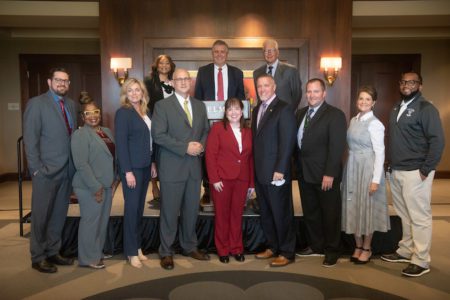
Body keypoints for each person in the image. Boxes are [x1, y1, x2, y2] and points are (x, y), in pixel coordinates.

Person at [381, 71, 445, 277]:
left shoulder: (426, 109)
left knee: (419, 216)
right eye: (403, 82)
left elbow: (437, 141)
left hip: (416, 172)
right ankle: (406, 250)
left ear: (420, 85)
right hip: (396, 170)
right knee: (404, 214)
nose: (406, 85)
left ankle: (421, 259)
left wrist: (426, 169)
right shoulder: (397, 106)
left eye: (411, 82)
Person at [152, 68, 210, 270]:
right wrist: (185, 147)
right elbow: (158, 135)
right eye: (179, 79)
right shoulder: (162, 106)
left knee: (191, 211)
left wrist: (201, 146)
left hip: (194, 168)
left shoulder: (200, 106)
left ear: (191, 81)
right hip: (172, 168)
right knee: (169, 212)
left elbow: (205, 131)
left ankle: (189, 246)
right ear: (172, 83)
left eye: (187, 78)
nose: (184, 82)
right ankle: (166, 251)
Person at [23, 67, 77, 273]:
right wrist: (36, 169)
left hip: (66, 171)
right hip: (45, 171)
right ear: (49, 82)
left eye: (66, 81)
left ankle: (53, 252)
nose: (62, 84)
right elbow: (30, 138)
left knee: (58, 214)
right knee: (41, 216)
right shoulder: (37, 104)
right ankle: (38, 256)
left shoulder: (70, 104)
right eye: (58, 80)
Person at [295, 78, 347, 267]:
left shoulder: (335, 115)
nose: (311, 95)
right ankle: (316, 245)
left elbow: (337, 147)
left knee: (330, 214)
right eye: (309, 91)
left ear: (324, 93)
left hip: (325, 175)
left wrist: (330, 173)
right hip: (304, 173)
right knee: (311, 212)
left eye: (316, 91)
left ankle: (333, 249)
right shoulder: (300, 113)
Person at [341, 86, 390, 264]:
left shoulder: (375, 124)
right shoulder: (354, 119)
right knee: (353, 206)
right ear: (357, 101)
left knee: (367, 208)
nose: (363, 102)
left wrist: (375, 180)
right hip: (353, 166)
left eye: (368, 99)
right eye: (361, 99)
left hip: (368, 169)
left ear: (374, 103)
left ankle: (367, 247)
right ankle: (358, 245)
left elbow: (380, 153)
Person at [251, 74, 297, 267]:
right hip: (260, 172)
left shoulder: (284, 108)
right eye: (259, 86)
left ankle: (287, 251)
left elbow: (287, 143)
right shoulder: (256, 110)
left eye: (266, 85)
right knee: (267, 213)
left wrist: (280, 169)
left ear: (274, 86)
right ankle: (272, 246)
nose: (262, 89)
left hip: (277, 173)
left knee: (281, 213)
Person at [195, 39, 245, 203]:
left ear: (227, 53)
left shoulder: (237, 73)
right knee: (209, 154)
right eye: (216, 51)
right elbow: (198, 98)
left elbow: (241, 99)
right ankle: (208, 188)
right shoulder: (203, 72)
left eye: (222, 51)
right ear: (212, 53)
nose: (219, 54)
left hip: (231, 120)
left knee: (229, 153)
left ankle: (230, 183)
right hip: (208, 122)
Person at [205, 98, 254, 264]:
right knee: (222, 216)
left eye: (237, 109)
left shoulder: (248, 131)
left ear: (242, 112)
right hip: (222, 180)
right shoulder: (218, 128)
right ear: (225, 112)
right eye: (230, 109)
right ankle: (223, 250)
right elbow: (210, 155)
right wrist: (214, 179)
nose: (234, 113)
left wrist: (252, 184)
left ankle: (237, 248)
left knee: (237, 216)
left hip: (242, 180)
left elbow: (250, 159)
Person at [115, 78, 157, 268]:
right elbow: (121, 146)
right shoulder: (123, 113)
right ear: (125, 93)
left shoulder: (146, 111)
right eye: (130, 90)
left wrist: (153, 162)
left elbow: (150, 140)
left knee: (139, 210)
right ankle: (131, 252)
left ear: (142, 93)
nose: (134, 93)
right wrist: (127, 172)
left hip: (145, 166)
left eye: (137, 90)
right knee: (131, 210)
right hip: (131, 169)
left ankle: (138, 246)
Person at [71, 94, 116, 269]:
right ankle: (87, 258)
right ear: (82, 117)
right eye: (88, 113)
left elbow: (112, 157)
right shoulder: (80, 134)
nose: (92, 116)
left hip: (106, 185)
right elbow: (81, 164)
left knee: (102, 221)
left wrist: (113, 181)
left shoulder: (106, 131)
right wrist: (95, 187)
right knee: (90, 222)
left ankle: (96, 251)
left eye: (95, 112)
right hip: (88, 186)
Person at [144, 54, 176, 207]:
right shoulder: (149, 81)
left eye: (167, 63)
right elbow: (146, 102)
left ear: (171, 66)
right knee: (155, 153)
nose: (164, 65)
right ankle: (155, 186)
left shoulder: (175, 80)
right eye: (161, 63)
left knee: (168, 155)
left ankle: (168, 187)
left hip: (173, 125)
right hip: (156, 121)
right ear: (156, 65)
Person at [253, 39, 302, 111]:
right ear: (263, 54)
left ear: (278, 52)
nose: (269, 53)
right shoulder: (257, 73)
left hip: (284, 115)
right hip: (265, 116)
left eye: (272, 50)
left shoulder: (290, 71)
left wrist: (287, 112)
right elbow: (259, 97)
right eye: (266, 51)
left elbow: (297, 95)